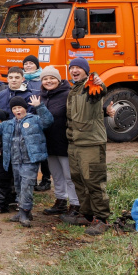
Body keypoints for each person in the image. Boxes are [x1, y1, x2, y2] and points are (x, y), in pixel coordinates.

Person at [62, 58, 114, 235]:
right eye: (72, 68)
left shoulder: (90, 84)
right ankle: (87, 215)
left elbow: (99, 91)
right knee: (79, 179)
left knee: (94, 181)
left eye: (78, 68)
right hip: (74, 142)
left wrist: (100, 83)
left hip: (91, 142)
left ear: (86, 71)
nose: (74, 71)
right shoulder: (73, 89)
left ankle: (102, 219)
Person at [0, 96, 53, 227]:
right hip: (15, 161)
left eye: (20, 107)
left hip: (30, 160)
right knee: (18, 186)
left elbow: (48, 121)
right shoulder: (8, 124)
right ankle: (23, 210)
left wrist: (39, 107)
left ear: (25, 108)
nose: (18, 110)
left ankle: (24, 212)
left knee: (27, 186)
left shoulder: (35, 120)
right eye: (14, 108)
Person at [37, 66, 77, 217]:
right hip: (48, 143)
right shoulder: (41, 97)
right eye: (45, 79)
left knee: (69, 175)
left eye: (52, 78)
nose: (49, 81)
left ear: (59, 80)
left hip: (65, 141)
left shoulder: (68, 94)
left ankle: (75, 204)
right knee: (56, 174)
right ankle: (60, 201)